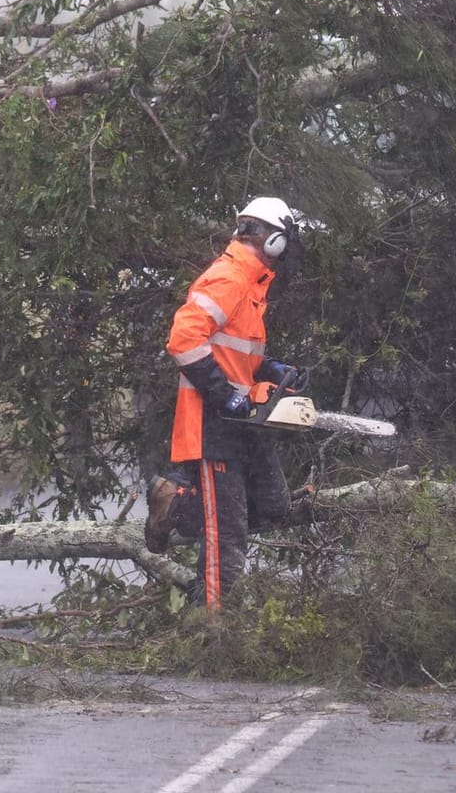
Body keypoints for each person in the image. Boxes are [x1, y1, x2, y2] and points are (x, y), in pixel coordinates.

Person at [144, 196, 305, 611]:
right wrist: (224, 395)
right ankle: (213, 633)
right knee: (227, 541)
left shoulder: (252, 285)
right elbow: (183, 340)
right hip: (212, 423)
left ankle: (184, 504)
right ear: (274, 241)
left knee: (273, 506)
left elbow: (231, 351)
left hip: (242, 419)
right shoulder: (230, 278)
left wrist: (267, 368)